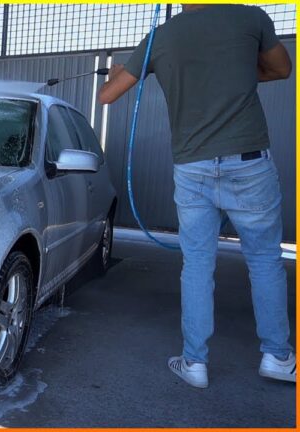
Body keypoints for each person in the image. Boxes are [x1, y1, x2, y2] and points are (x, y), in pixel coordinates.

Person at [98, 4, 294, 389]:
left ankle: (194, 363)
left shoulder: (161, 37)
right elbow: (282, 68)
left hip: (193, 168)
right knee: (265, 261)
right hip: (249, 164)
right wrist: (232, 70)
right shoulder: (251, 18)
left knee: (197, 264)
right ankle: (278, 356)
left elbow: (106, 96)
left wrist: (123, 70)